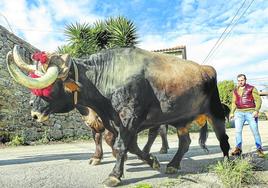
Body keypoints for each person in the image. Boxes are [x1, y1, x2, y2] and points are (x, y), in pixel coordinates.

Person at [229, 74, 264, 157]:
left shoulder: (251, 88)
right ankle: (238, 149)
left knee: (255, 132)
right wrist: (232, 112)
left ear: (245, 80)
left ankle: (259, 149)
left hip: (250, 113)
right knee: (238, 132)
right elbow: (234, 102)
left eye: (242, 80)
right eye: (239, 81)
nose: (240, 82)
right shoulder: (235, 90)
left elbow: (258, 100)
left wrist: (256, 110)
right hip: (239, 113)